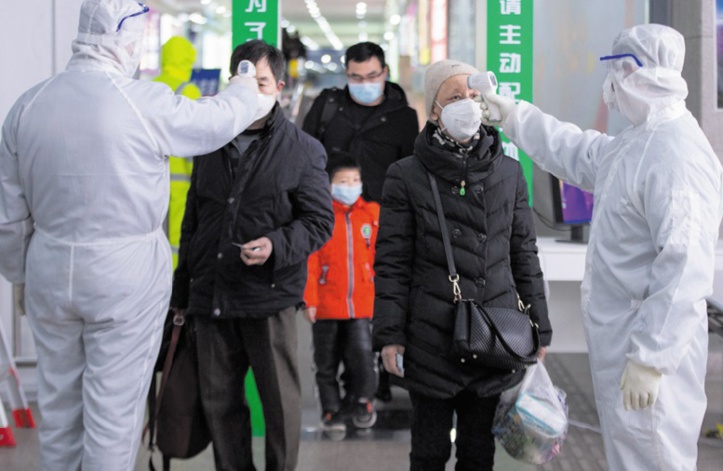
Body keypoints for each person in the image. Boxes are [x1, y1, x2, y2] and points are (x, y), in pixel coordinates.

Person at [0, 0, 263, 469]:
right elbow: (214, 122)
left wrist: (21, 275)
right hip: (124, 275)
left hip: (49, 268)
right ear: (127, 38)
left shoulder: (28, 105)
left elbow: (8, 215)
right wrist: (246, 86)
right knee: (113, 416)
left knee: (59, 413)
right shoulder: (140, 101)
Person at [482, 24, 723, 470]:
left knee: (654, 458)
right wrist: (514, 115)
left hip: (649, 353)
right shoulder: (640, 142)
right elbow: (578, 152)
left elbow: (686, 268)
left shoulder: (677, 154)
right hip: (627, 344)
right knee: (631, 458)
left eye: (613, 73)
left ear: (632, 73)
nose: (608, 88)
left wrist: (652, 358)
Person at [372, 59, 551, 471]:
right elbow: (392, 264)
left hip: (496, 335)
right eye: (455, 98)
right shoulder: (406, 174)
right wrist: (390, 335)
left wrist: (541, 325)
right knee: (429, 451)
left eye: (473, 96)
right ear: (434, 110)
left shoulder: (508, 171)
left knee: (478, 452)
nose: (468, 106)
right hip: (430, 335)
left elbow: (524, 252)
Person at [170, 39, 334, 471]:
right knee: (219, 404)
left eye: (261, 82)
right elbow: (194, 221)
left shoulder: (302, 150)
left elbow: (320, 223)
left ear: (279, 86)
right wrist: (182, 293)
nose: (251, 91)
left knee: (279, 404)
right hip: (211, 299)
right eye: (242, 81)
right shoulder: (209, 142)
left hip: (268, 299)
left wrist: (276, 246)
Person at [302, 41, 419, 401]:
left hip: (382, 231)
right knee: (334, 314)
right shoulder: (328, 107)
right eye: (356, 76)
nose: (364, 82)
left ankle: (375, 385)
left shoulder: (403, 117)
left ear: (384, 73)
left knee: (378, 309)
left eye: (371, 76)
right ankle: (333, 391)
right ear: (346, 74)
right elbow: (305, 158)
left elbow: (412, 175)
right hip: (331, 226)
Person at [303, 152, 380, 434]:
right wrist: (309, 300)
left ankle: (361, 401)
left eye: (355, 180)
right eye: (344, 181)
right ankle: (331, 408)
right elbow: (311, 262)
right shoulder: (321, 217)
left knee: (362, 355)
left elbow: (381, 259)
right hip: (326, 304)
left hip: (362, 304)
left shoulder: (371, 214)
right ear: (330, 184)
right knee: (326, 361)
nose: (351, 185)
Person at [152, 35, 203, 267]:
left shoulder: (149, 88)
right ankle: (173, 288)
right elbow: (197, 141)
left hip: (149, 179)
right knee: (177, 238)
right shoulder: (188, 90)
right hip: (180, 183)